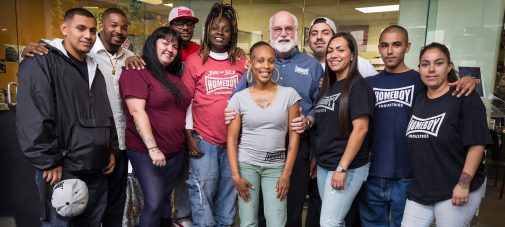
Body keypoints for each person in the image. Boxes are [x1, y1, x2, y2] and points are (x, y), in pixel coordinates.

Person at [21, 8, 135, 226]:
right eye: (81, 29)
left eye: (91, 30)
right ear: (64, 29)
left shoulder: (94, 67)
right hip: (61, 167)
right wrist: (47, 160)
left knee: (93, 220)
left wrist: (110, 150)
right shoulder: (41, 60)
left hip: (96, 165)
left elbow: (106, 112)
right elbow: (35, 116)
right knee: (61, 222)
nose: (88, 35)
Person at [360, 25, 477, 227]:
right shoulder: (368, 83)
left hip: (409, 175)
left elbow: (446, 89)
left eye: (396, 45)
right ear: (379, 48)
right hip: (372, 172)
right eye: (385, 45)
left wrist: (469, 80)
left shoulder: (421, 78)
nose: (390, 51)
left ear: (407, 47)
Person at [226, 11, 324, 227]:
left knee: (290, 212)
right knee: (257, 213)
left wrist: (309, 120)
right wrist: (230, 112)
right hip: (256, 149)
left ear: (297, 32)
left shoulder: (312, 66)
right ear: (270, 32)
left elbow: (322, 107)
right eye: (278, 29)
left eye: (288, 28)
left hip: (296, 148)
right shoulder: (255, 66)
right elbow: (236, 100)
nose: (283, 33)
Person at [401, 42, 491, 226]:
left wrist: (463, 184)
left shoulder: (464, 96)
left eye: (439, 63)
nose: (431, 69)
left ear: (449, 66)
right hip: (422, 189)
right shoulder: (419, 99)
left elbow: (477, 144)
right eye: (425, 64)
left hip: (455, 188)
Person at [306, 16, 378, 227]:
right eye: (330, 51)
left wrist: (342, 168)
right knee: (333, 220)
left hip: (347, 166)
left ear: (352, 54)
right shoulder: (328, 87)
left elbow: (361, 129)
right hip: (324, 164)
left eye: (340, 50)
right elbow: (325, 126)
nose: (333, 55)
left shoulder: (358, 86)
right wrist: (315, 157)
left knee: (330, 222)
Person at [181, 3, 246, 226]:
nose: (220, 32)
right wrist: (188, 134)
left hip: (234, 142)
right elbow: (185, 101)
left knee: (228, 196)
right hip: (204, 140)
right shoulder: (194, 61)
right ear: (207, 29)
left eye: (226, 29)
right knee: (202, 194)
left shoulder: (241, 61)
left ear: (232, 34)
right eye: (215, 27)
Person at [119, 26, 191, 227]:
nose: (170, 49)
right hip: (146, 151)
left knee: (165, 200)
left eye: (175, 46)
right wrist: (152, 148)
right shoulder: (136, 72)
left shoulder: (174, 78)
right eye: (165, 43)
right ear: (153, 44)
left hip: (175, 150)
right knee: (154, 200)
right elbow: (136, 111)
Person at [227, 41, 301, 227]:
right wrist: (236, 175)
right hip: (247, 166)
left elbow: (294, 137)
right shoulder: (239, 98)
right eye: (260, 61)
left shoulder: (289, 95)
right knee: (248, 222)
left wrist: (286, 174)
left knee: (276, 221)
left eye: (270, 61)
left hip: (276, 167)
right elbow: (232, 139)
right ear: (250, 63)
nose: (265, 66)